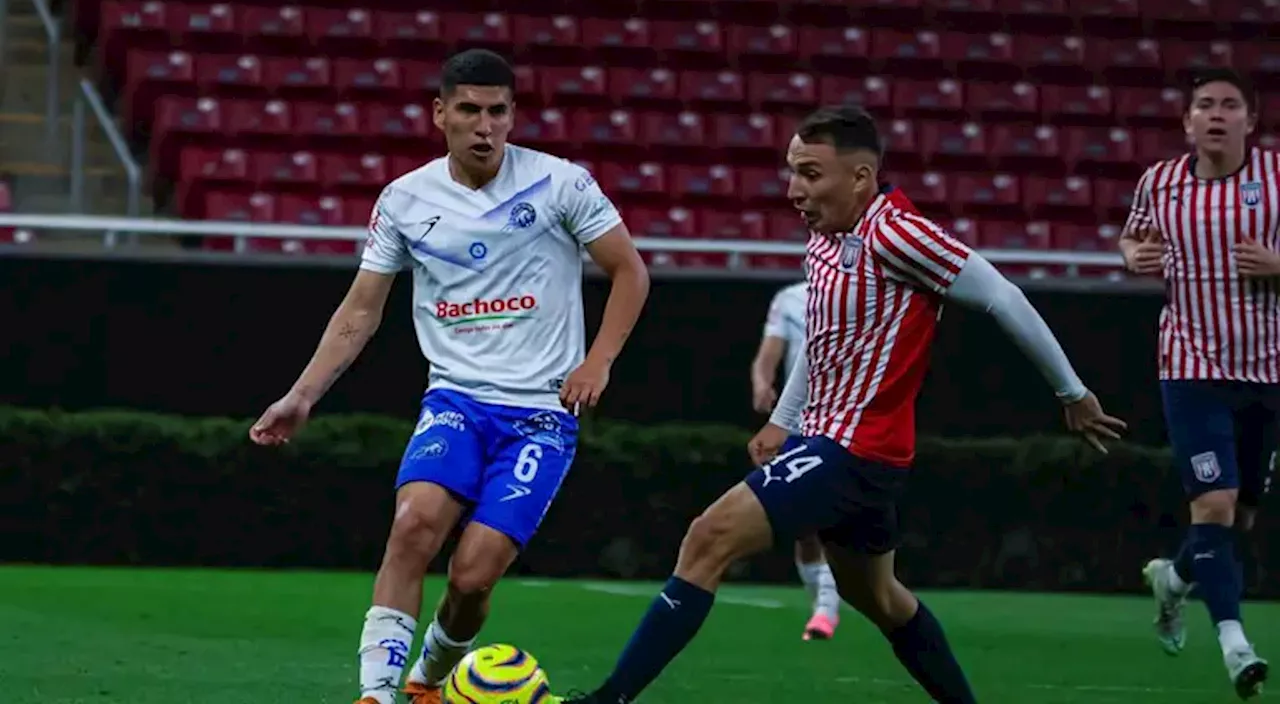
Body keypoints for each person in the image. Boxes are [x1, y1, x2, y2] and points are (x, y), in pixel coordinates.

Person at [557, 104, 1126, 704]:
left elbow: (1002, 297)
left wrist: (1073, 393)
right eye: (791, 172)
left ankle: (608, 700)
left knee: (709, 535)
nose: (794, 189)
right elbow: (824, 340)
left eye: (809, 174)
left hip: (855, 449)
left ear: (860, 178)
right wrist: (783, 421)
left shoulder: (898, 232)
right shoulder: (826, 240)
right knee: (879, 598)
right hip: (840, 447)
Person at [247, 48, 650, 704]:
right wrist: (302, 394)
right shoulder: (405, 200)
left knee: (471, 580)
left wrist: (598, 360)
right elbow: (360, 310)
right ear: (440, 114)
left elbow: (630, 271)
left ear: (514, 116)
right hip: (456, 401)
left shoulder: (560, 185)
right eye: (469, 110)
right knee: (411, 527)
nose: (484, 125)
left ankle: (426, 683)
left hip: (542, 416)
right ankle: (375, 695)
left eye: (497, 111)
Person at [1124, 67, 1275, 700]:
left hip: (1268, 369)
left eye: (1229, 105)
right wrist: (1133, 256)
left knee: (1235, 519)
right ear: (1188, 122)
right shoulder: (1159, 183)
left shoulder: (1275, 179)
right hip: (1189, 367)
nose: (1216, 114)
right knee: (1212, 507)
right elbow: (1132, 240)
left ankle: (1175, 580)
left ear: (1250, 120)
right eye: (1205, 105)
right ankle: (1236, 647)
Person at [750, 280, 842, 641]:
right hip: (802, 422)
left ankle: (826, 610)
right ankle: (823, 604)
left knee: (839, 521)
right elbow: (769, 354)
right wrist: (762, 383)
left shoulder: (870, 292)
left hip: (852, 423)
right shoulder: (790, 299)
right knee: (805, 528)